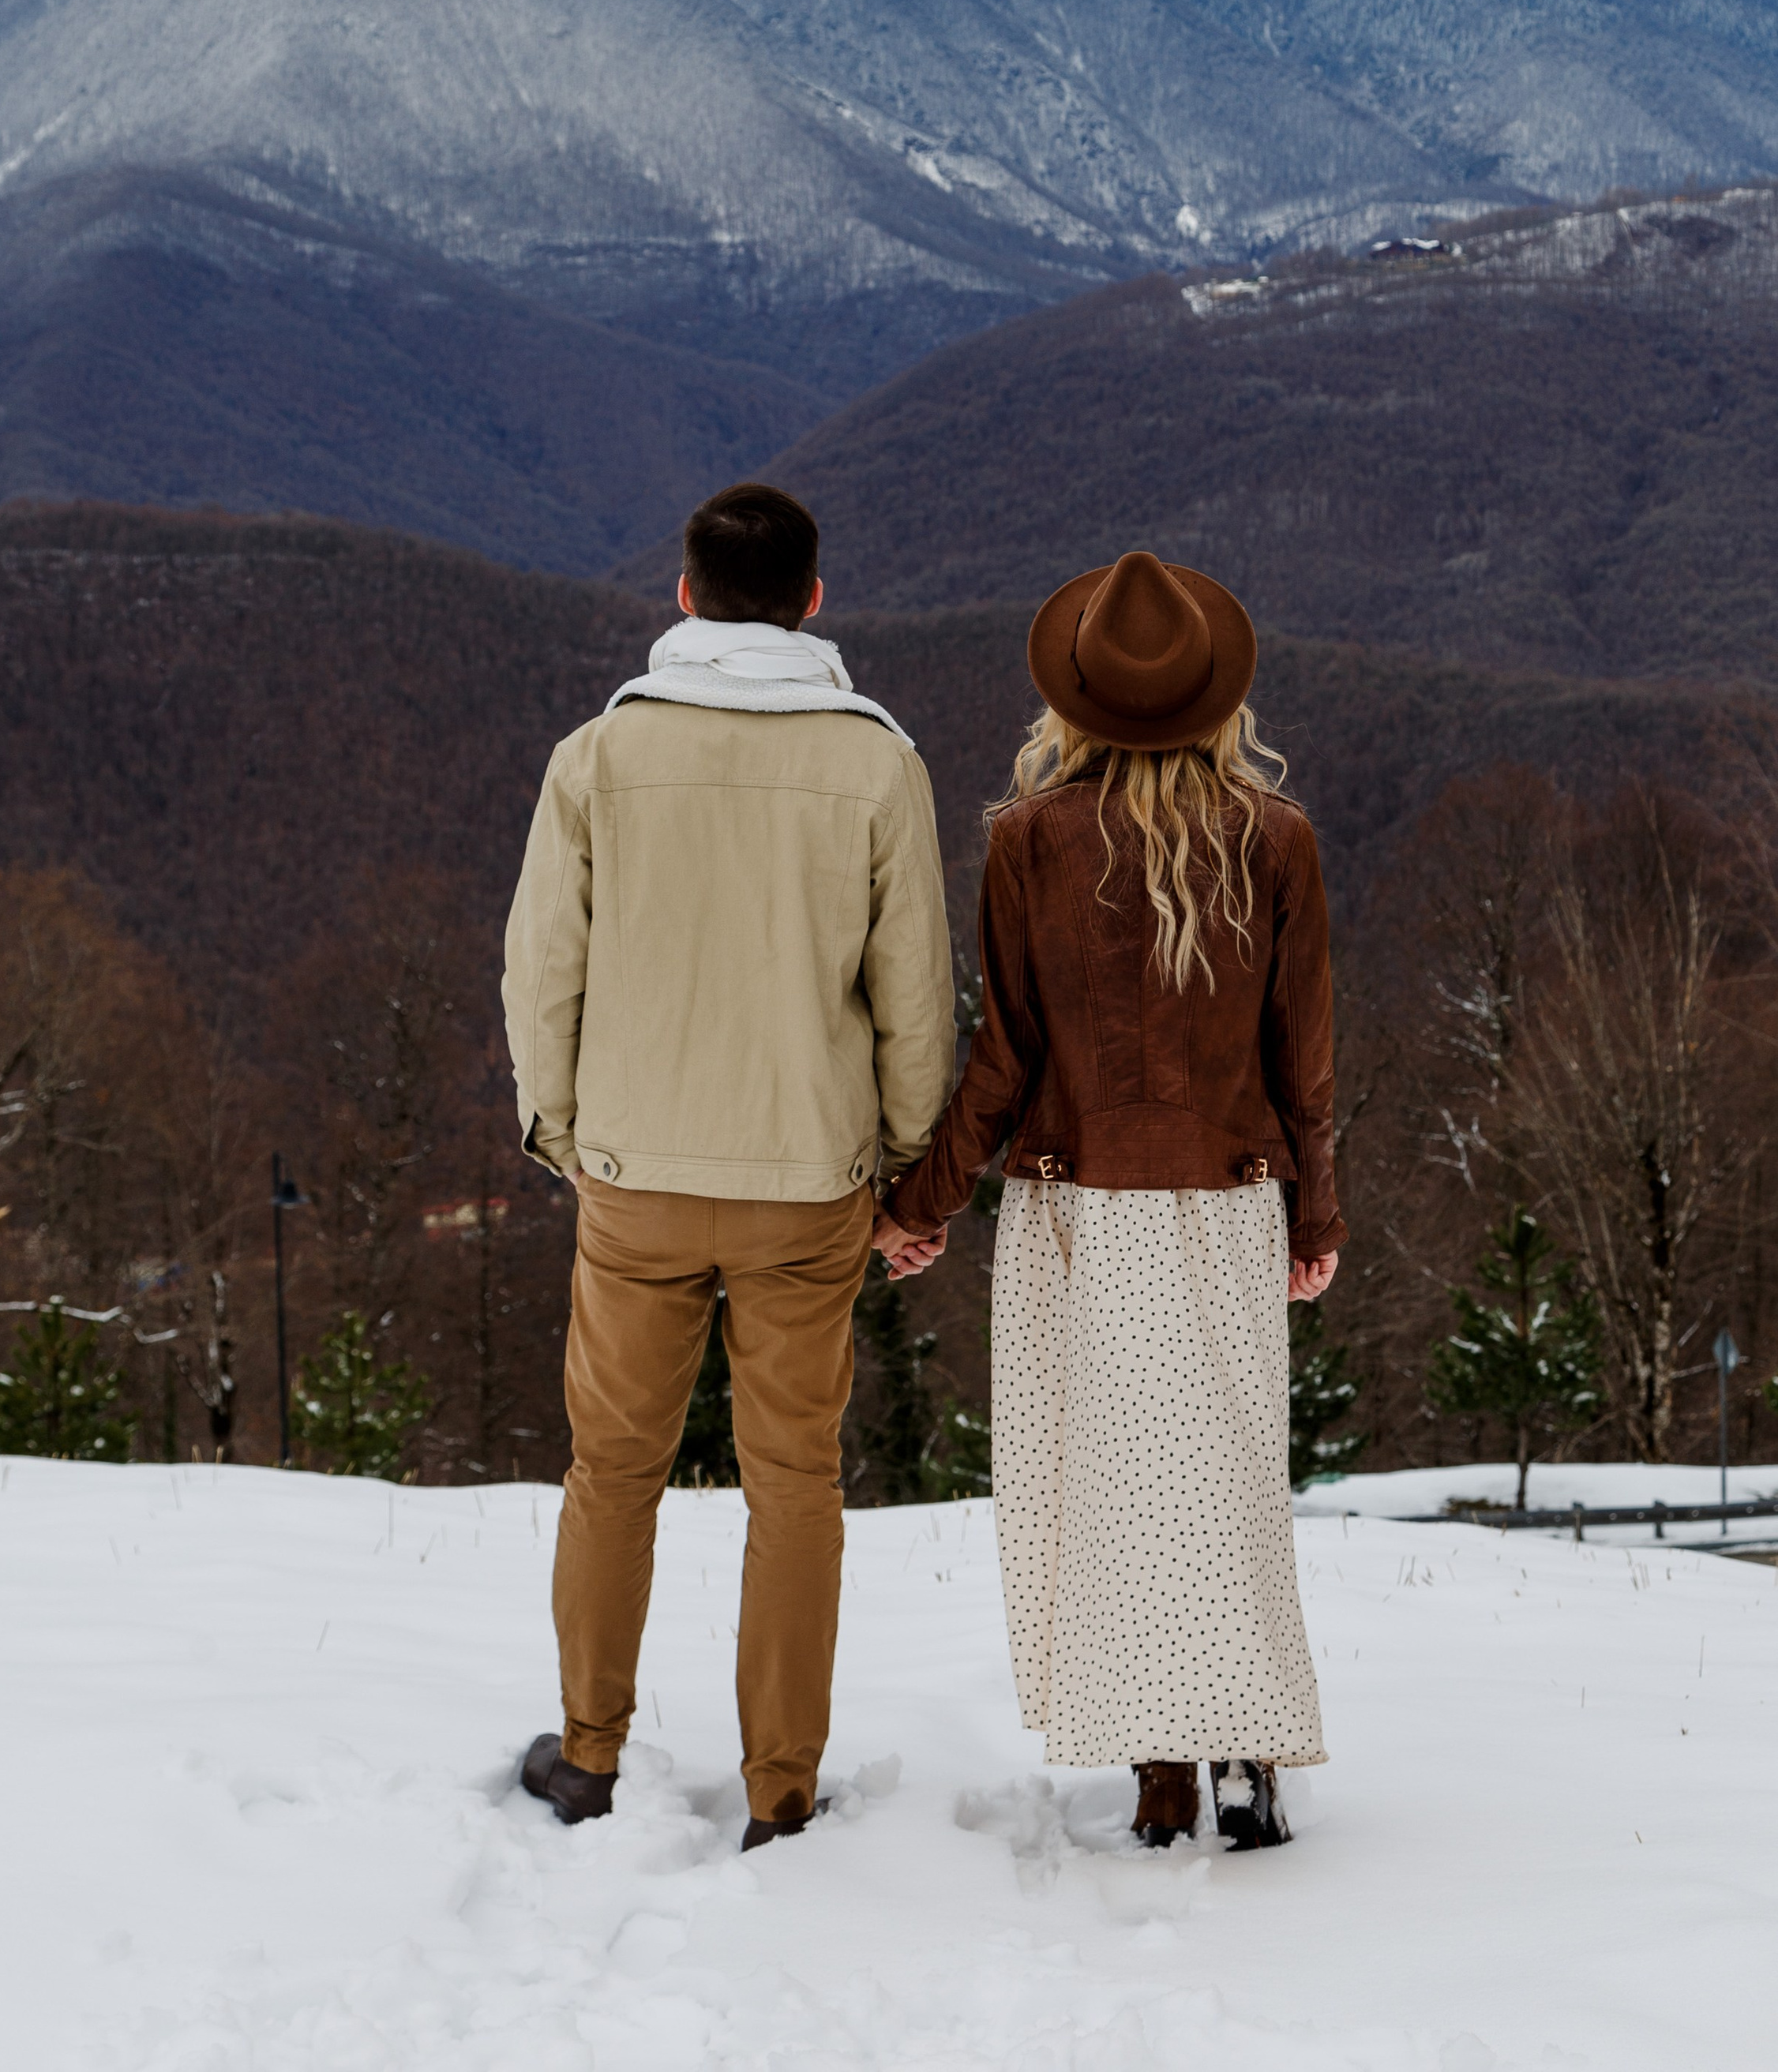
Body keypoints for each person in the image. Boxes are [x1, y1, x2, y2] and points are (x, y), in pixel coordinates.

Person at [502, 481, 956, 1848]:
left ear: (685, 596)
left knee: (614, 1472)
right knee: (795, 1484)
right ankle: (780, 1788)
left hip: (637, 1172)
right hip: (810, 1183)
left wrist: (569, 1137)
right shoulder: (879, 766)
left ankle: (588, 1755)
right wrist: (905, 1163)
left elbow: (542, 975)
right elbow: (917, 999)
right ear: (815, 600)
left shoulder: (599, 757)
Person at [875, 548, 1343, 1853]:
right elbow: (1302, 1061)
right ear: (1218, 698)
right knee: (1230, 1484)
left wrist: (922, 1201)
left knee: (1117, 1501)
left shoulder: (1027, 843)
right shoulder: (1280, 840)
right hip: (1231, 1202)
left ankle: (1159, 1775)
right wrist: (1318, 1221)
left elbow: (1005, 1057)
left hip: (1077, 1214)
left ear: (1072, 703)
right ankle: (1246, 1751)